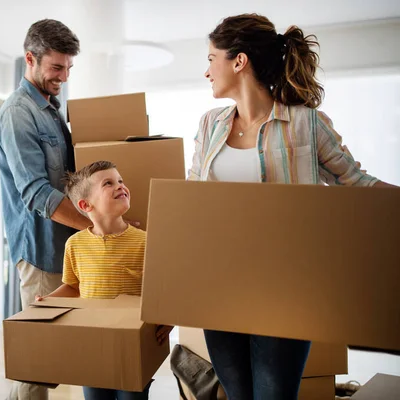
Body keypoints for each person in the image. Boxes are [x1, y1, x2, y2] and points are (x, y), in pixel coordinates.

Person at [189, 13, 397, 400]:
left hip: (284, 288)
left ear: (239, 61)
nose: (207, 71)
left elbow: (357, 184)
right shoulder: (209, 125)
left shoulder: (305, 124)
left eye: (211, 58)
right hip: (219, 286)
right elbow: (190, 202)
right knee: (237, 395)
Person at [0, 19, 90, 400]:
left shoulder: (51, 109)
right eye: (56, 67)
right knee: (39, 362)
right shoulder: (19, 113)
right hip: (40, 251)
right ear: (30, 59)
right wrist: (94, 227)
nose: (63, 77)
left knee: (57, 354)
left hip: (65, 247)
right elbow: (36, 193)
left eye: (68, 69)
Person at [37, 161, 172, 400]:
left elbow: (163, 291)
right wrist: (47, 301)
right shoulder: (75, 245)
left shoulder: (146, 242)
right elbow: (72, 286)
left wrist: (168, 320)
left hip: (133, 346)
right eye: (108, 183)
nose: (120, 186)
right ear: (84, 204)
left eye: (120, 180)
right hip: (92, 346)